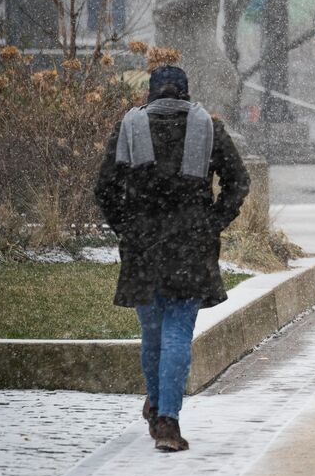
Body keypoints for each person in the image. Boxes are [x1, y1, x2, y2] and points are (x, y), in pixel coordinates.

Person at [95, 65, 250, 452]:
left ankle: (157, 405)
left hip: (143, 244)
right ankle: (167, 420)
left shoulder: (129, 128)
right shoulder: (207, 127)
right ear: (185, 92)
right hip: (191, 243)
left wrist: (125, 226)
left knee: (152, 331)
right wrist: (213, 220)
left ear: (150, 94)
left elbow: (105, 188)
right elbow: (238, 181)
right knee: (178, 330)